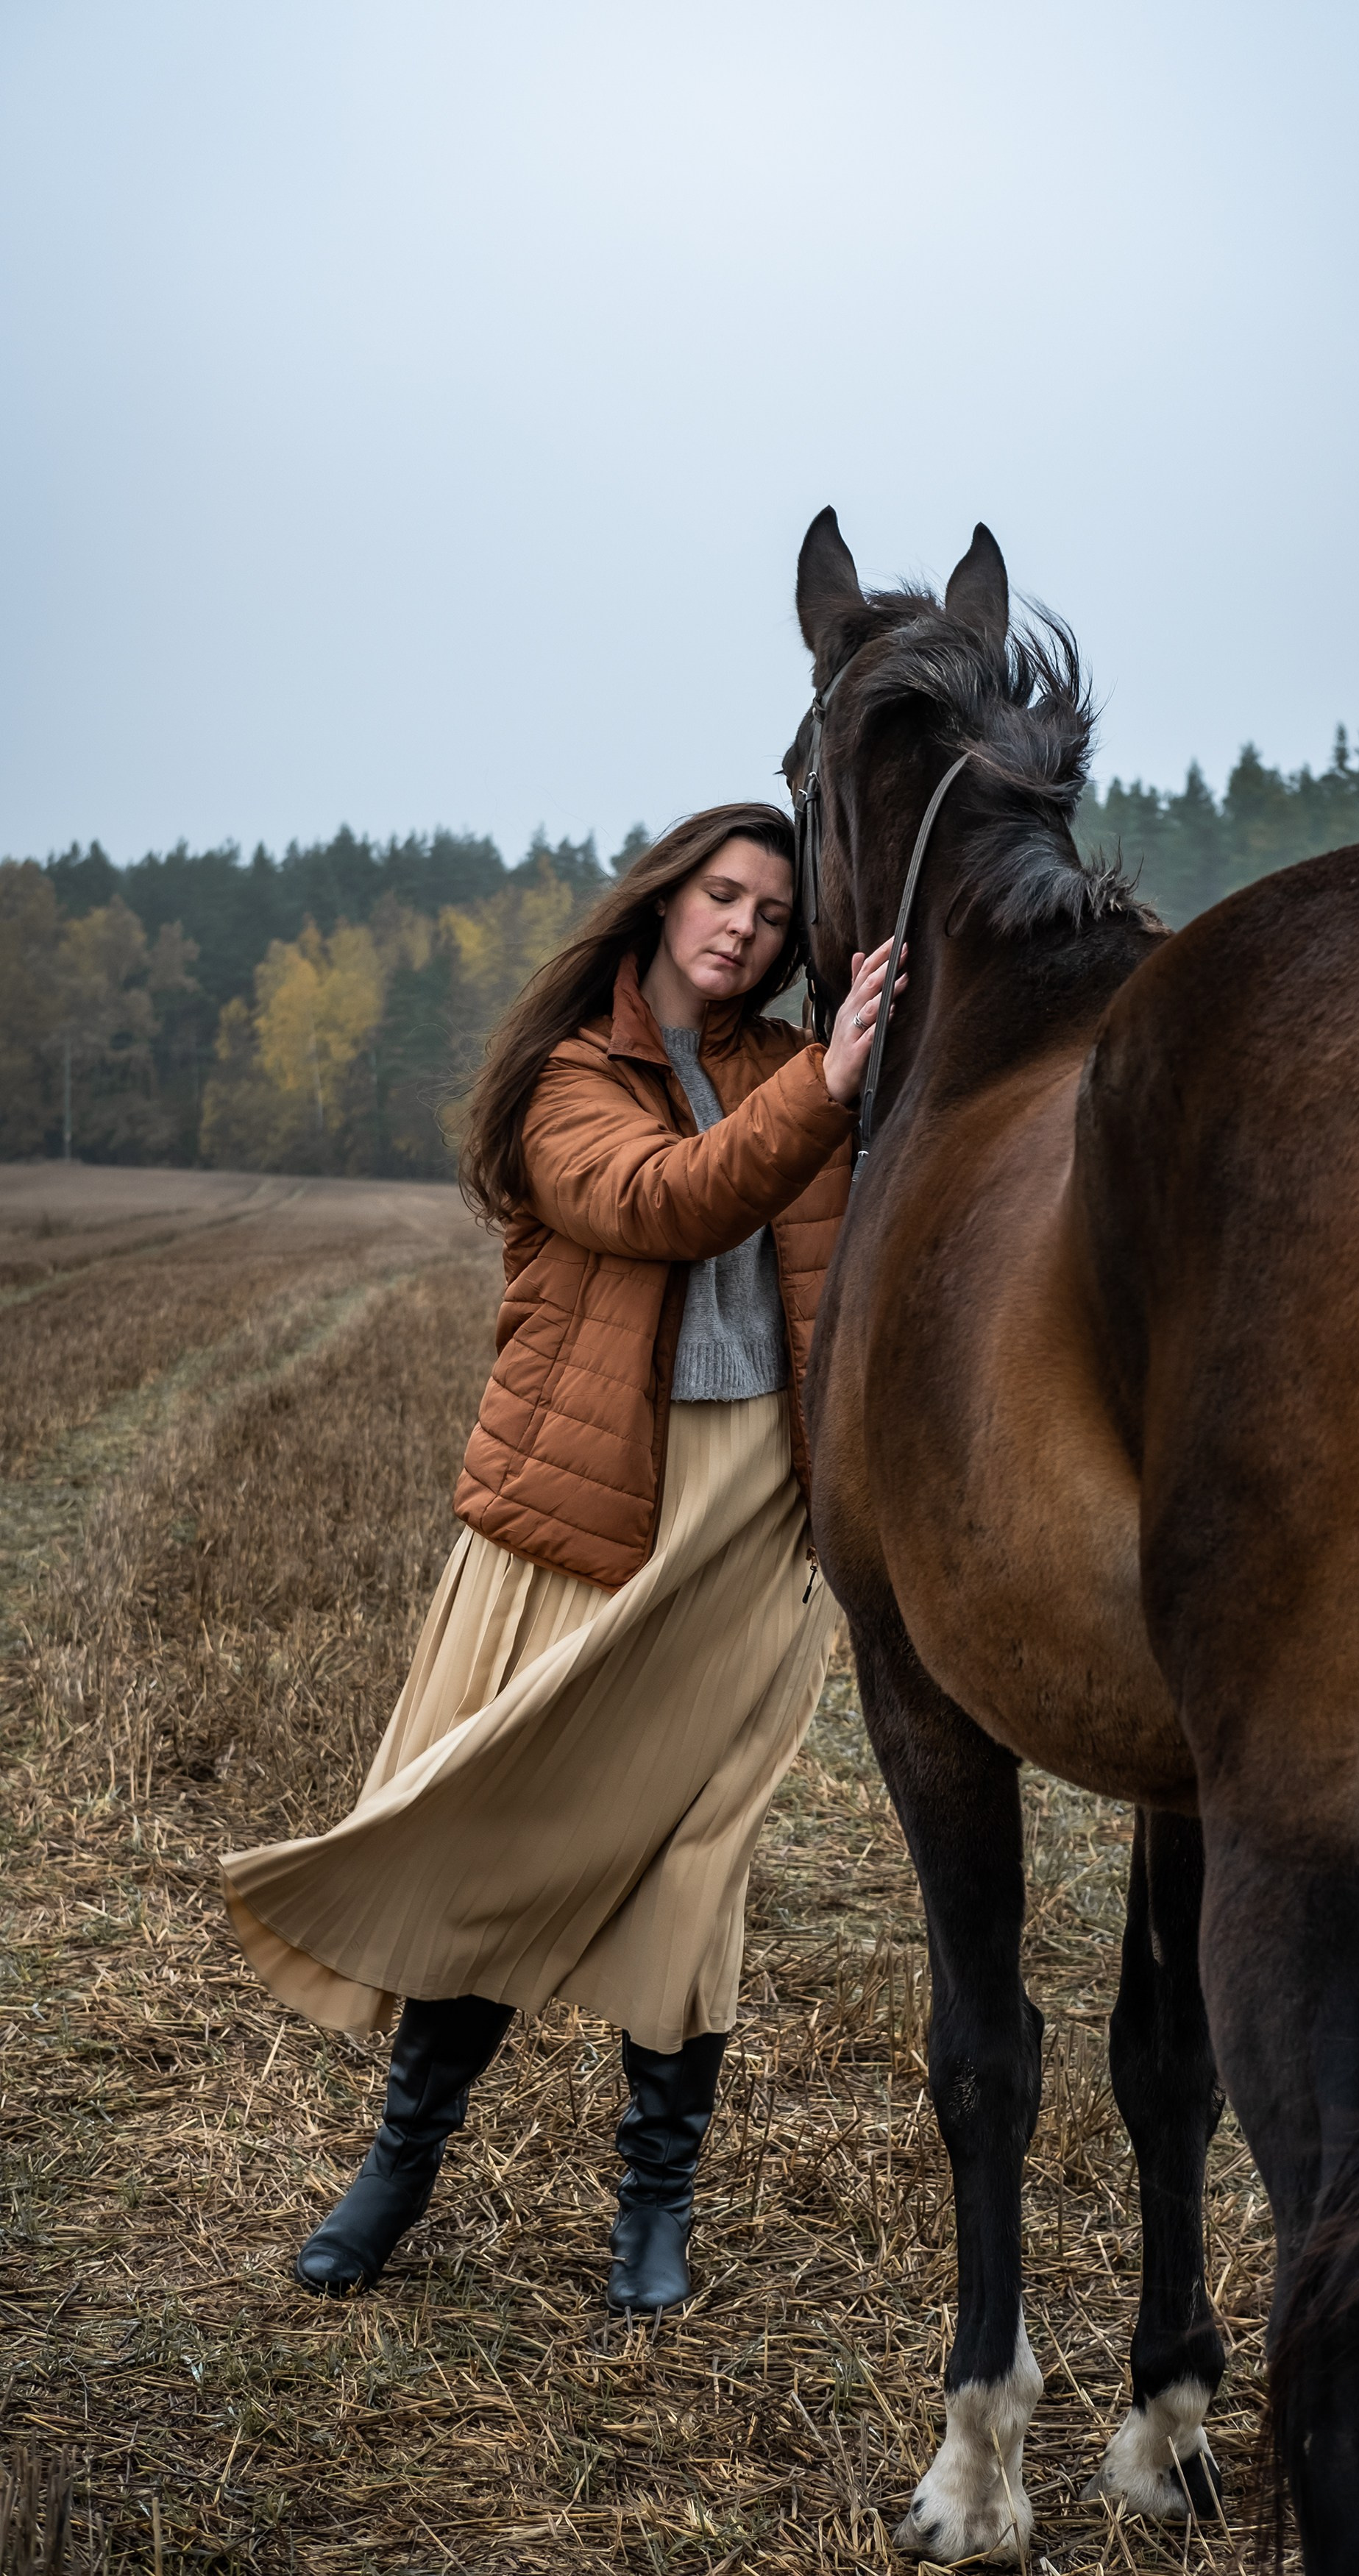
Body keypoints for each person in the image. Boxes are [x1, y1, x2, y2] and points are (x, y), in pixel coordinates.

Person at [221, 802, 899, 2313]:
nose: (745, 929)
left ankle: (655, 2205)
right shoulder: (572, 1078)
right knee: (505, 1818)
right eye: (721, 895)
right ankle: (399, 2166)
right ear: (663, 901)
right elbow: (664, 1203)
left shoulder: (798, 1063)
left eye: (774, 914)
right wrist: (832, 1085)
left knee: (696, 1861)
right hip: (596, 1508)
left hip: (755, 1508)